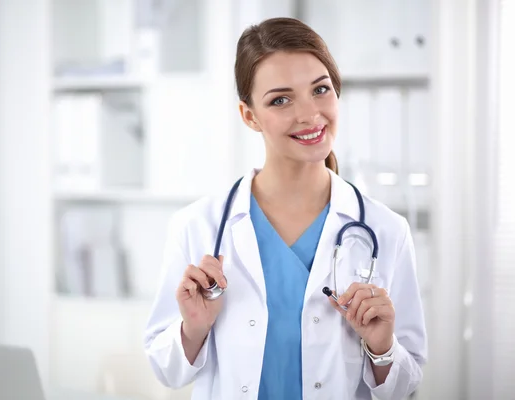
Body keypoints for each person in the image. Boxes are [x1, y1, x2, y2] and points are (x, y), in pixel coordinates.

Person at [143, 17, 427, 400]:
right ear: (249, 115)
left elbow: (407, 385)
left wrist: (382, 349)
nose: (309, 114)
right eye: (281, 99)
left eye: (320, 90)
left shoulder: (386, 230)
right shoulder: (197, 226)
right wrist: (193, 330)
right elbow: (166, 369)